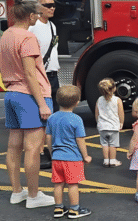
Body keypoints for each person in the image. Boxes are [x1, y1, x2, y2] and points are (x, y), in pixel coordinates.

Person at [0, 0, 56, 208]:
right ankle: (34, 196)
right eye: (37, 14)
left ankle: (17, 192)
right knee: (33, 149)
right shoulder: (27, 37)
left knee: (13, 147)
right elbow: (30, 74)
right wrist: (42, 103)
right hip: (29, 95)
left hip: (11, 93)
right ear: (31, 16)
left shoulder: (6, 34)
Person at [45, 85, 92, 218]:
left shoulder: (52, 118)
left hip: (56, 157)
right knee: (72, 184)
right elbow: (80, 140)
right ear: (77, 102)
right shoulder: (76, 119)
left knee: (58, 184)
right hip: (72, 158)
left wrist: (52, 151)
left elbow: (48, 137)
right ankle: (74, 209)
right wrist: (86, 156)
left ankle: (59, 209)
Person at [29, 0, 59, 112]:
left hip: (53, 75)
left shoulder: (52, 26)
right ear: (37, 7)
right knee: (42, 111)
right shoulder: (32, 27)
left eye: (53, 5)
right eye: (48, 5)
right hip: (40, 75)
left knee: (55, 111)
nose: (52, 8)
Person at [95, 78, 124, 167]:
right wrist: (121, 123)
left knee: (104, 144)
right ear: (114, 88)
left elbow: (97, 113)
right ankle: (113, 160)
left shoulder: (99, 100)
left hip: (102, 126)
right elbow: (121, 113)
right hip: (113, 126)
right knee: (113, 144)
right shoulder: (117, 100)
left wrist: (98, 122)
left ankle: (106, 160)